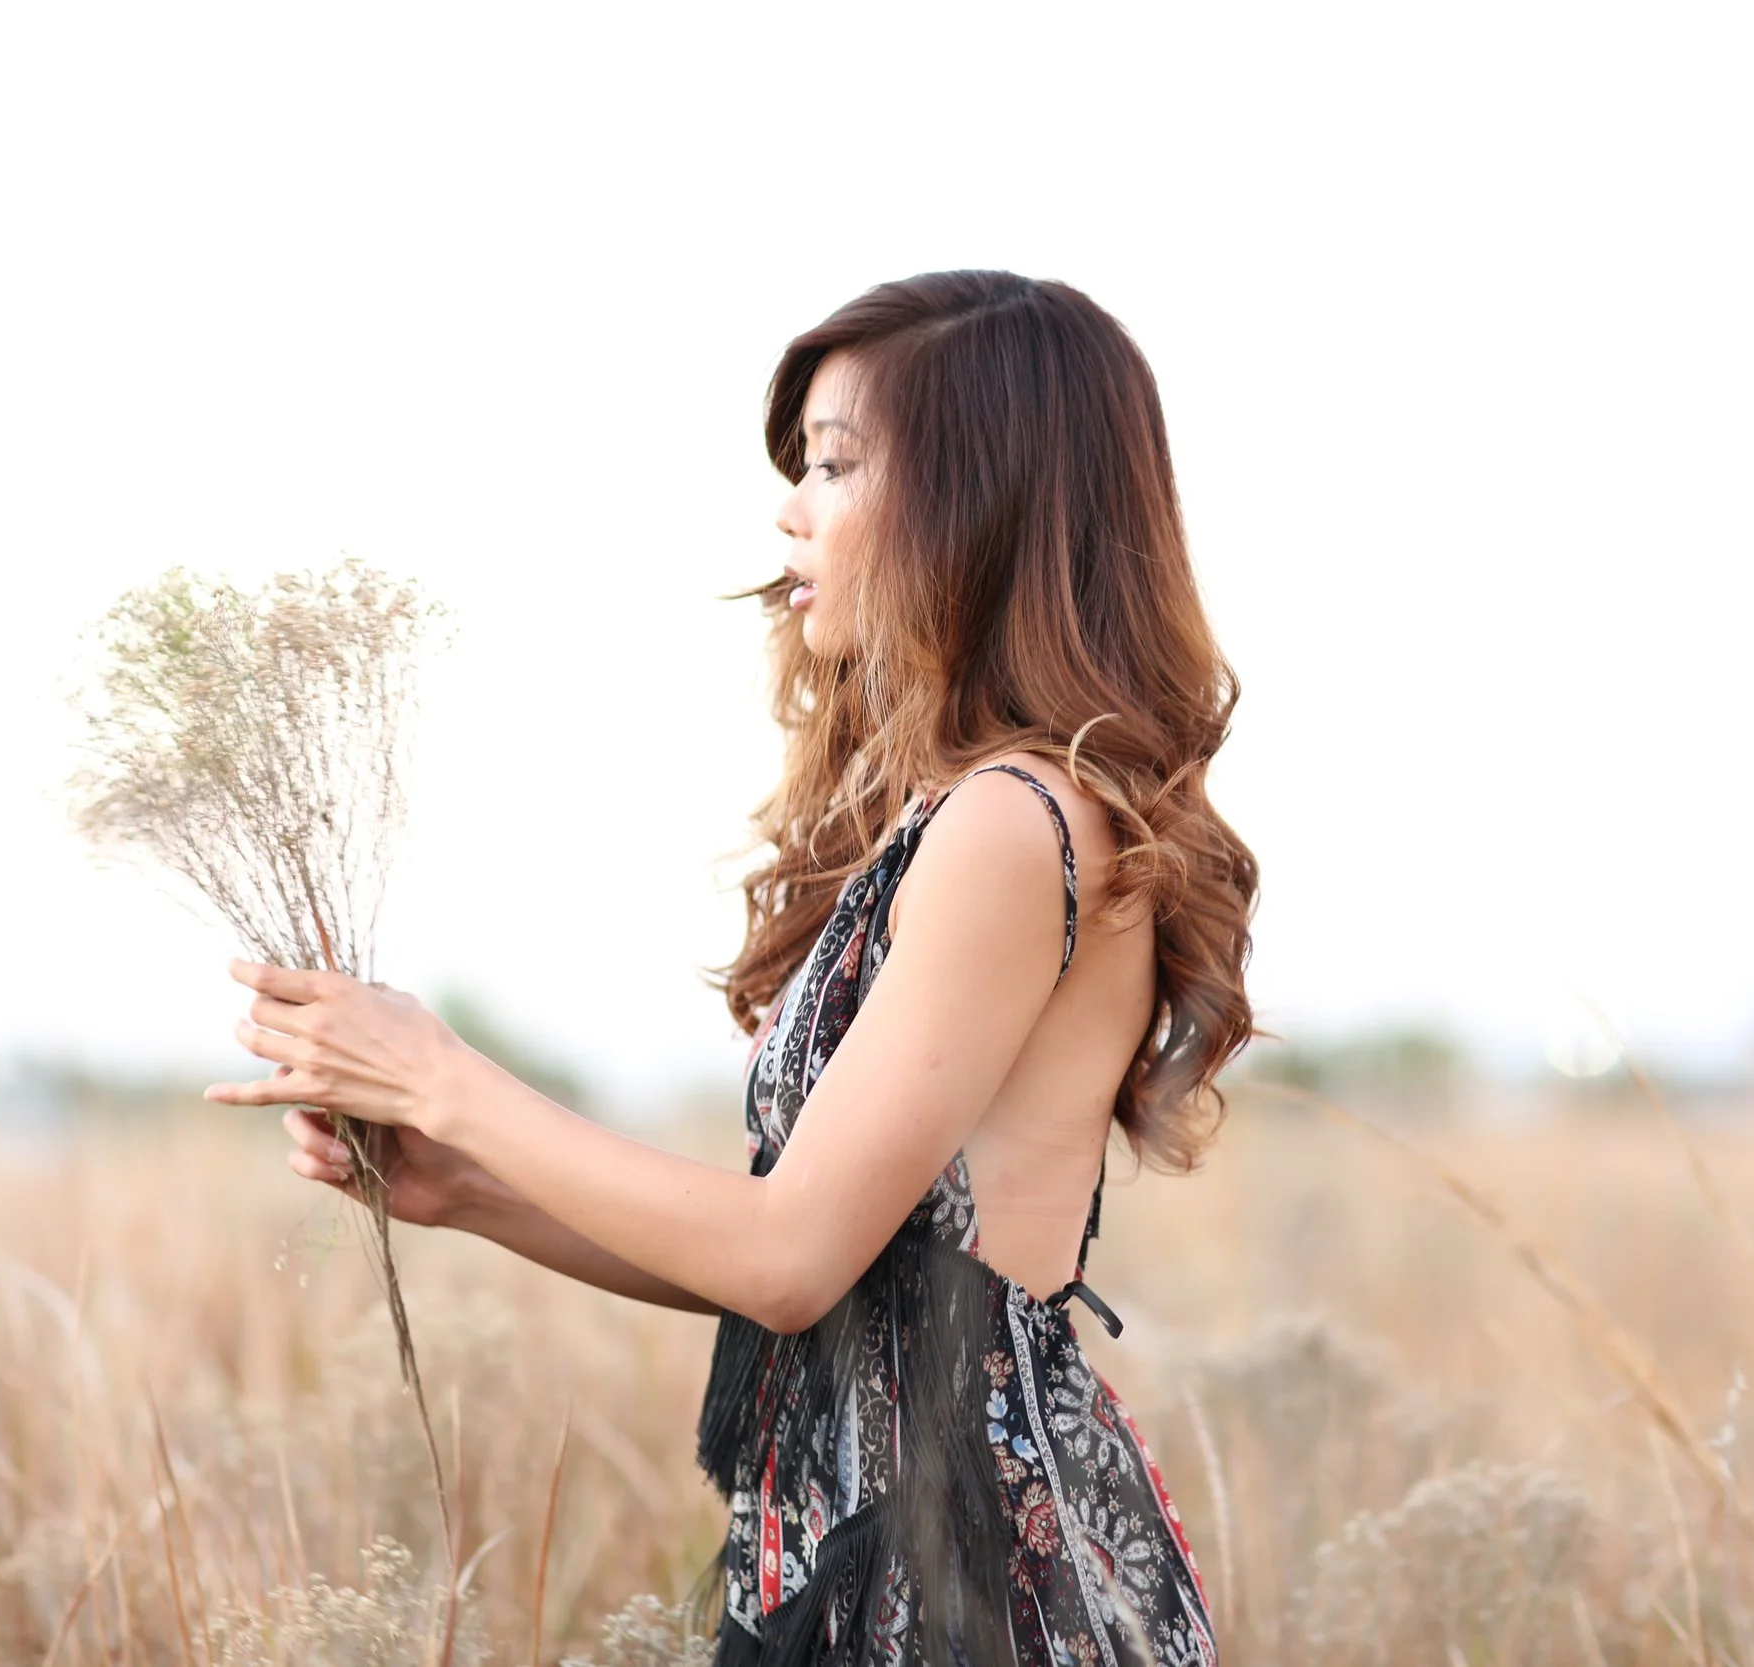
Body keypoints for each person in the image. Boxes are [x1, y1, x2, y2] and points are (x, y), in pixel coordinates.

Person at [208, 270, 1259, 1667]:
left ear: (979, 495)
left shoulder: (1015, 823)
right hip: (892, 1558)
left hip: (969, 1593)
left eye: (836, 462)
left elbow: (787, 1259)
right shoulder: (973, 817)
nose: (789, 508)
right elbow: (839, 1264)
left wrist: (442, 1075)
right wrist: (470, 1191)